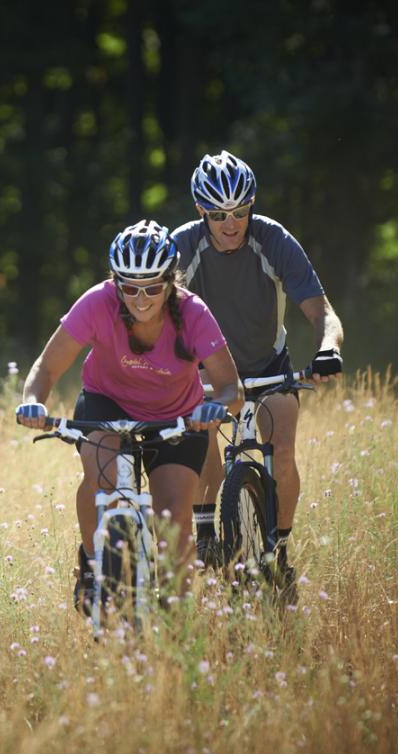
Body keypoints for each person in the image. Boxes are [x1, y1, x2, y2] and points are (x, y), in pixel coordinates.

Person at [15, 220, 242, 610]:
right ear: (115, 282)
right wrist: (33, 400)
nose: (140, 298)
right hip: (108, 404)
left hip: (178, 417)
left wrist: (214, 409)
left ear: (171, 282)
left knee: (174, 521)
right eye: (129, 287)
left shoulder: (192, 313)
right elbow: (46, 368)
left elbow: (230, 389)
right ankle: (91, 563)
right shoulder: (96, 303)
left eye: (153, 287)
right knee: (101, 481)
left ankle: (177, 622)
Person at [172, 150, 345, 572]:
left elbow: (323, 313)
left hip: (268, 367)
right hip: (207, 372)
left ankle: (279, 551)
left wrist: (328, 347)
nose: (230, 224)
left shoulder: (274, 240)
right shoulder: (181, 246)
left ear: (253, 205)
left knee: (281, 449)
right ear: (201, 212)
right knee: (200, 432)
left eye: (240, 211)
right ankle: (207, 532)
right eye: (217, 215)